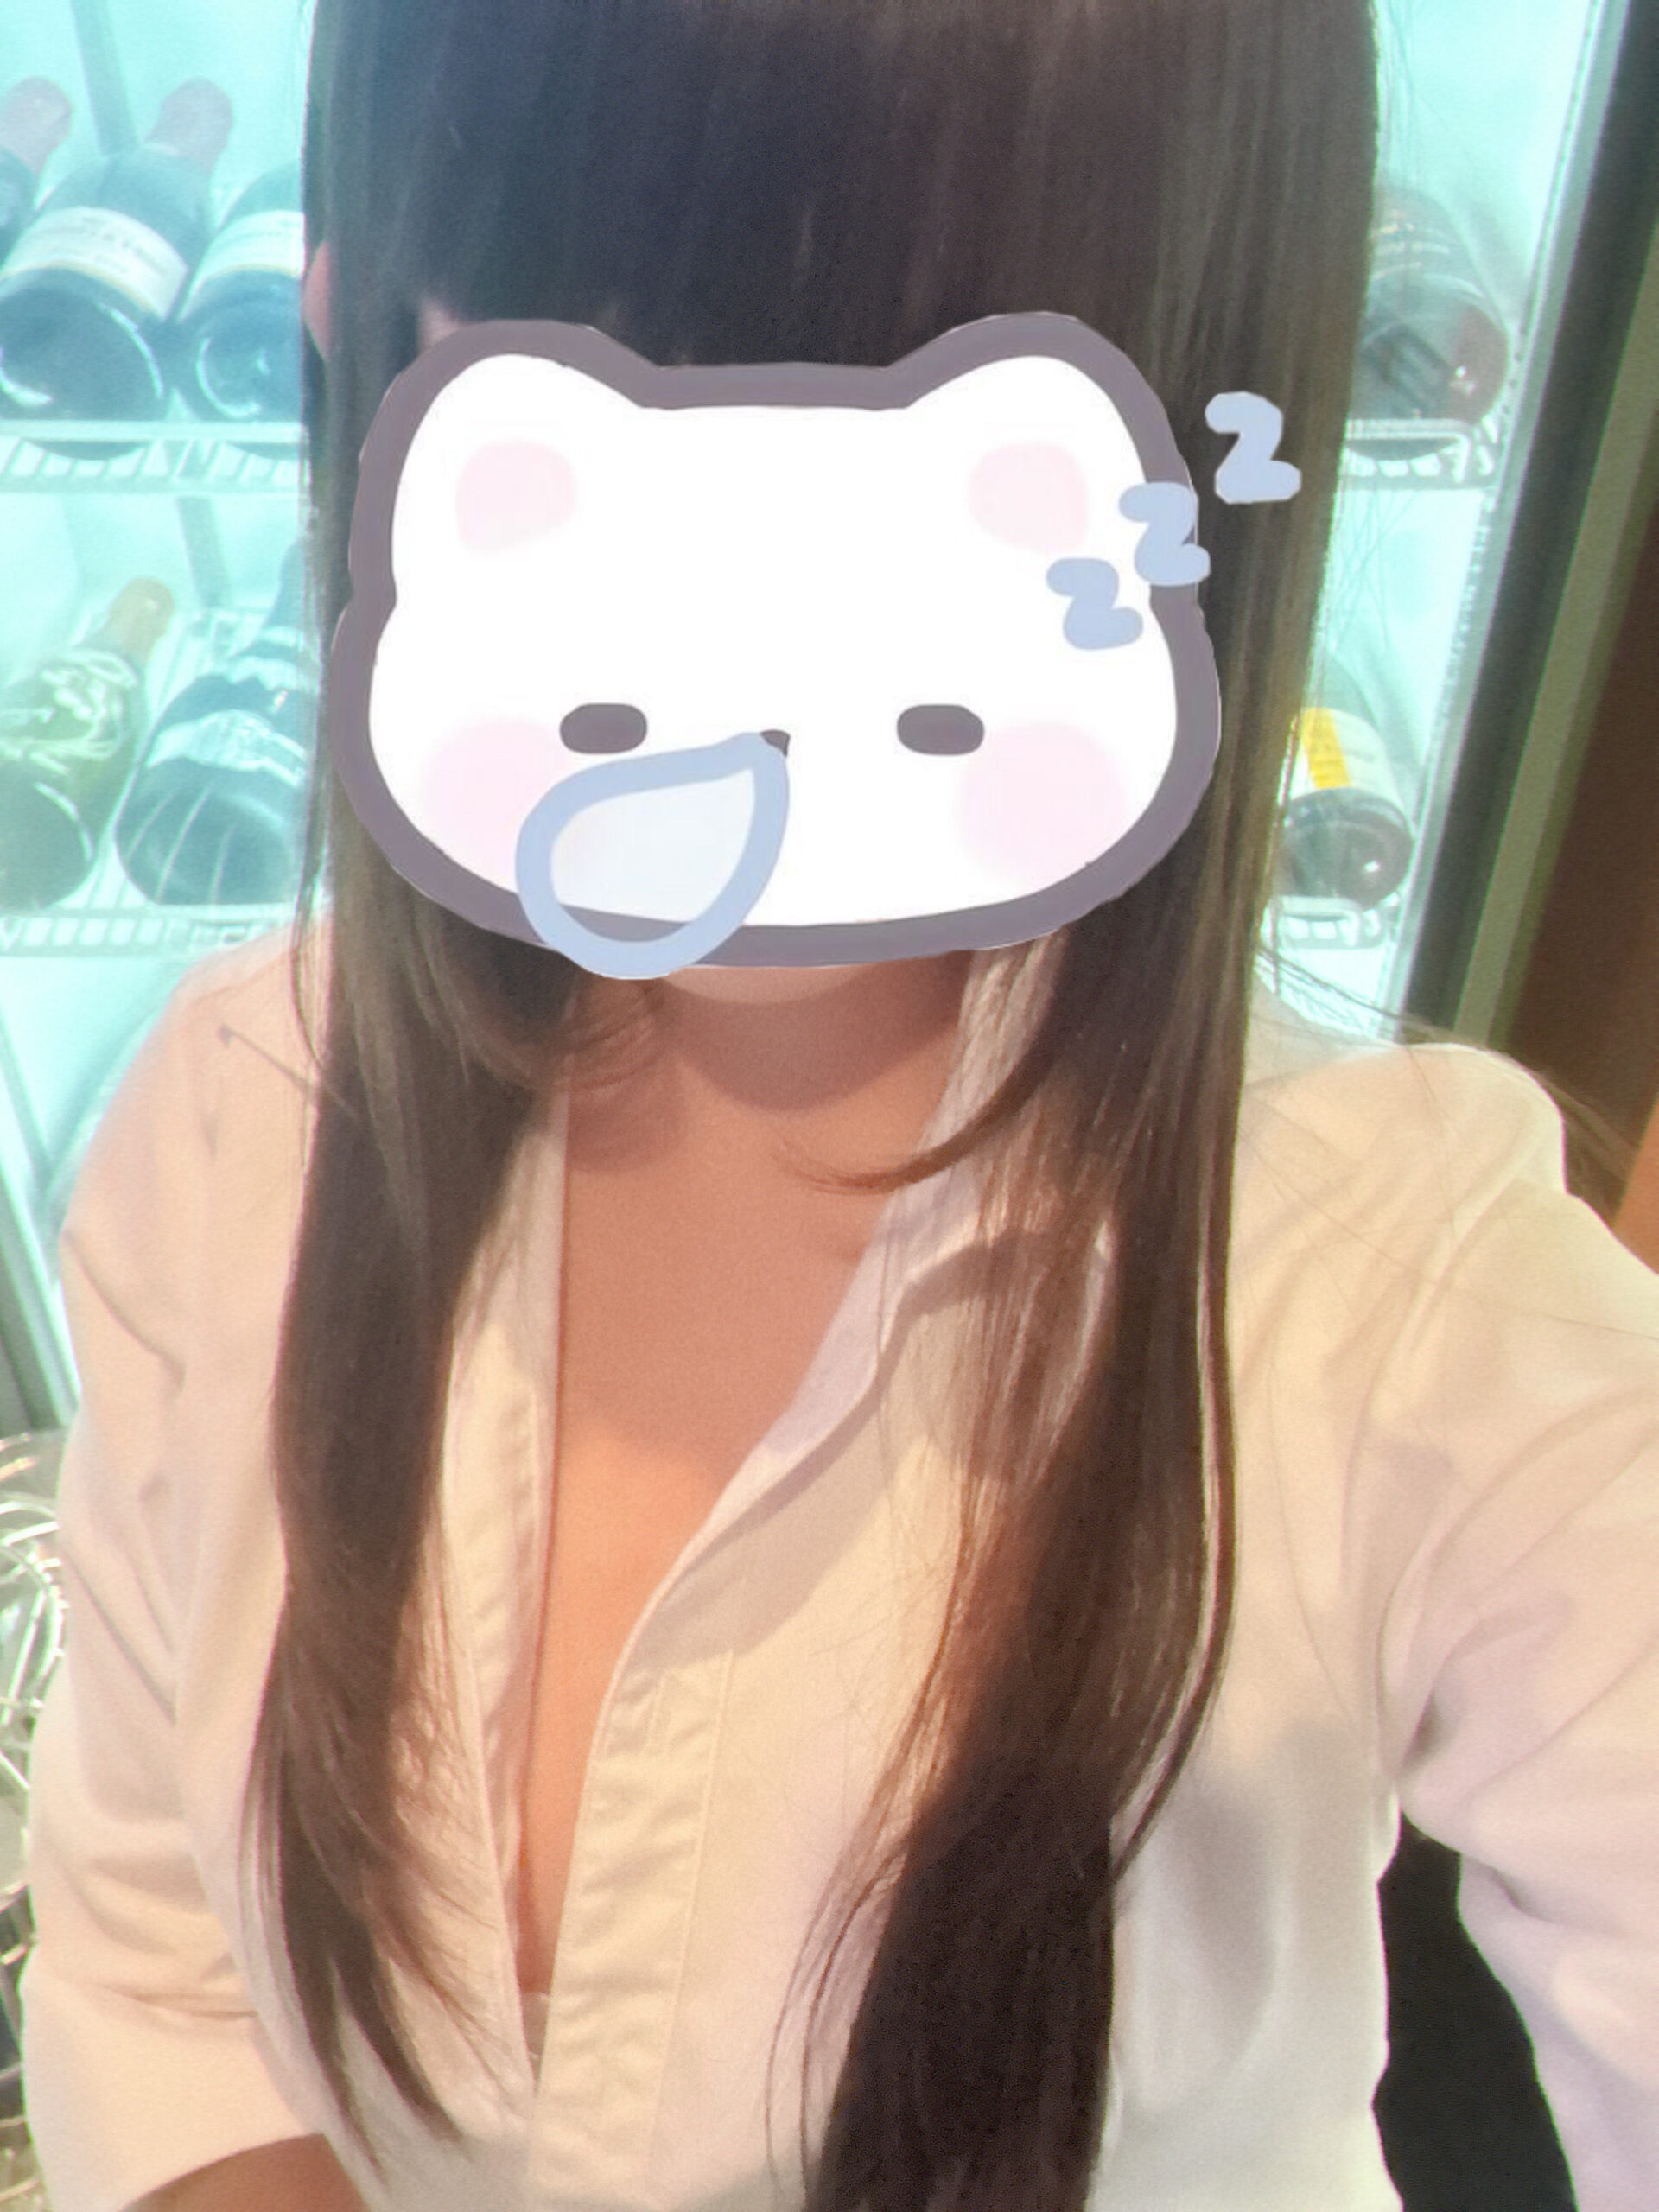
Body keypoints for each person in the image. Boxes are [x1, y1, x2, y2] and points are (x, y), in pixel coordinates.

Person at [18, 0, 1659, 2206]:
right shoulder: (233, 1120)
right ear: (368, 320)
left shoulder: (1408, 1306)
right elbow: (165, 1974)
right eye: (616, 344)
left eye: (926, 379)